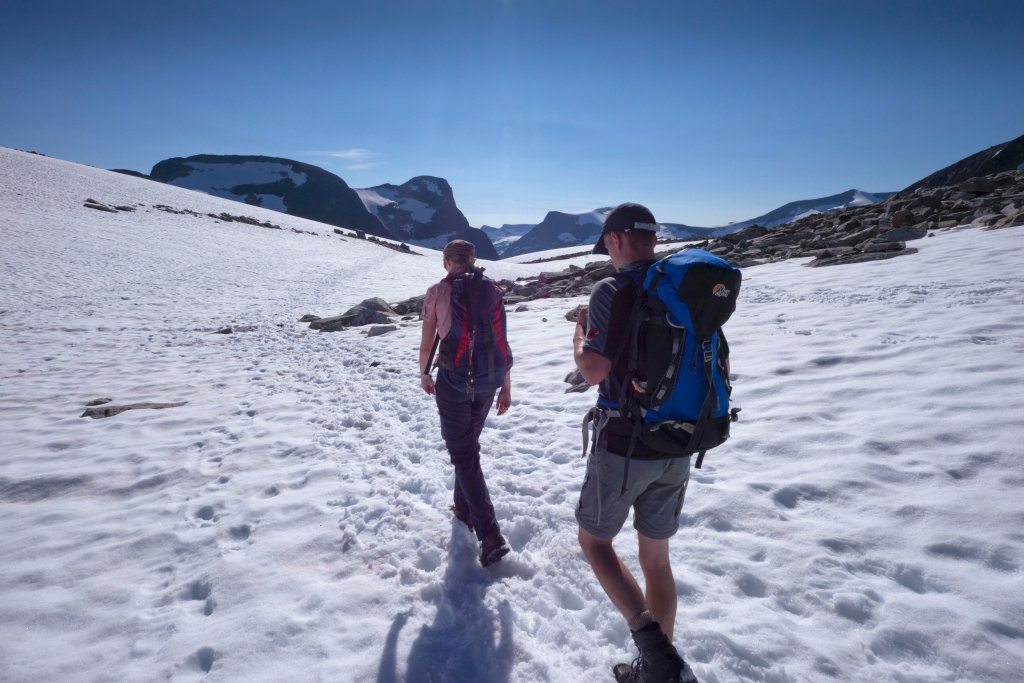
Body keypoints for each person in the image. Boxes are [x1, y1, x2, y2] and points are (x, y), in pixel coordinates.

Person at [573, 204, 702, 683]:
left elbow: (595, 371)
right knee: (657, 559)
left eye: (607, 244)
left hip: (626, 444)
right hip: (682, 439)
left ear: (617, 240)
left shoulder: (613, 288)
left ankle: (657, 656)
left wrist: (580, 337)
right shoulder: (683, 289)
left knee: (595, 542)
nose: (607, 253)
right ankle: (657, 670)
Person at [419, 239, 513, 567]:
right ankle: (462, 509)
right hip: (488, 381)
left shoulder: (436, 293)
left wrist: (424, 374)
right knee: (467, 448)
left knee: (463, 453)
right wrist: (505, 387)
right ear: (473, 261)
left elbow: (427, 342)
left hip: (453, 382)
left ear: (447, 262)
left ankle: (490, 535)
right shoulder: (493, 291)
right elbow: (502, 342)